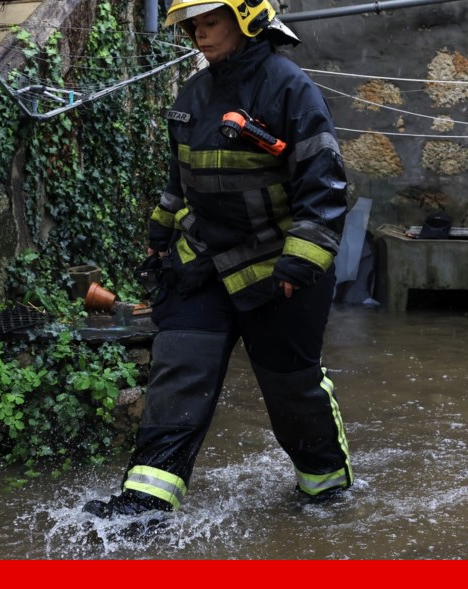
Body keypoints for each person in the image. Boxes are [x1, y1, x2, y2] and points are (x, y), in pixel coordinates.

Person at [83, 0, 353, 518]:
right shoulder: (194, 92)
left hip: (278, 271)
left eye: (211, 23)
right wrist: (159, 238)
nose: (200, 37)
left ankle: (327, 492)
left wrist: (300, 264)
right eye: (194, 27)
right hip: (202, 263)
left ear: (247, 20)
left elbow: (324, 186)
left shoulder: (290, 88)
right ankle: (144, 506)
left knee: (290, 388)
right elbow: (177, 183)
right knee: (179, 370)